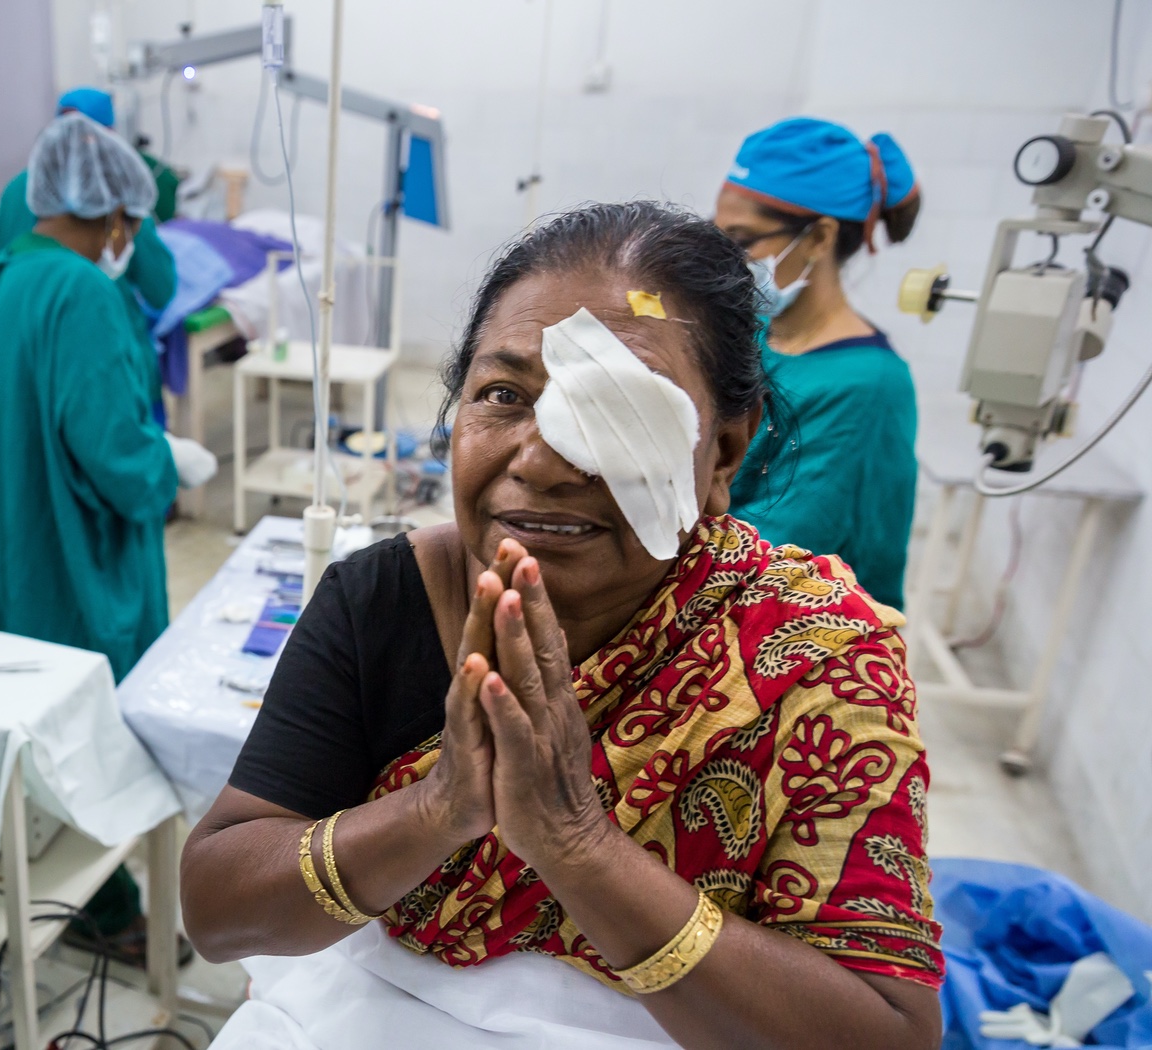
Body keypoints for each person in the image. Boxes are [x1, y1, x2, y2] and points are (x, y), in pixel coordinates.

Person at [183, 201, 943, 1050]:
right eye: (502, 396)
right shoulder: (383, 600)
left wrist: (577, 845)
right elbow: (216, 914)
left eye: (617, 412)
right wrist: (436, 812)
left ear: (723, 453)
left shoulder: (813, 658)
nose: (539, 461)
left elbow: (888, 1034)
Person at [0, 112, 212, 959]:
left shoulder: (2, 277)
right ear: (115, 218)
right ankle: (105, 911)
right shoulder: (88, 295)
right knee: (95, 726)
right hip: (70, 558)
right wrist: (167, 460)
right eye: (129, 226)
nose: (127, 240)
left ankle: (44, 884)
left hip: (2, 546)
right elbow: (111, 455)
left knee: (23, 723)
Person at [715, 117, 921, 611]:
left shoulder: (867, 386)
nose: (725, 260)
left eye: (742, 242)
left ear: (818, 238)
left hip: (798, 630)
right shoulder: (753, 333)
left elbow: (772, 554)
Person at [0, 87, 176, 424]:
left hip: (16, 383)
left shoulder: (18, 196)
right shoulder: (116, 200)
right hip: (110, 379)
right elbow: (161, 287)